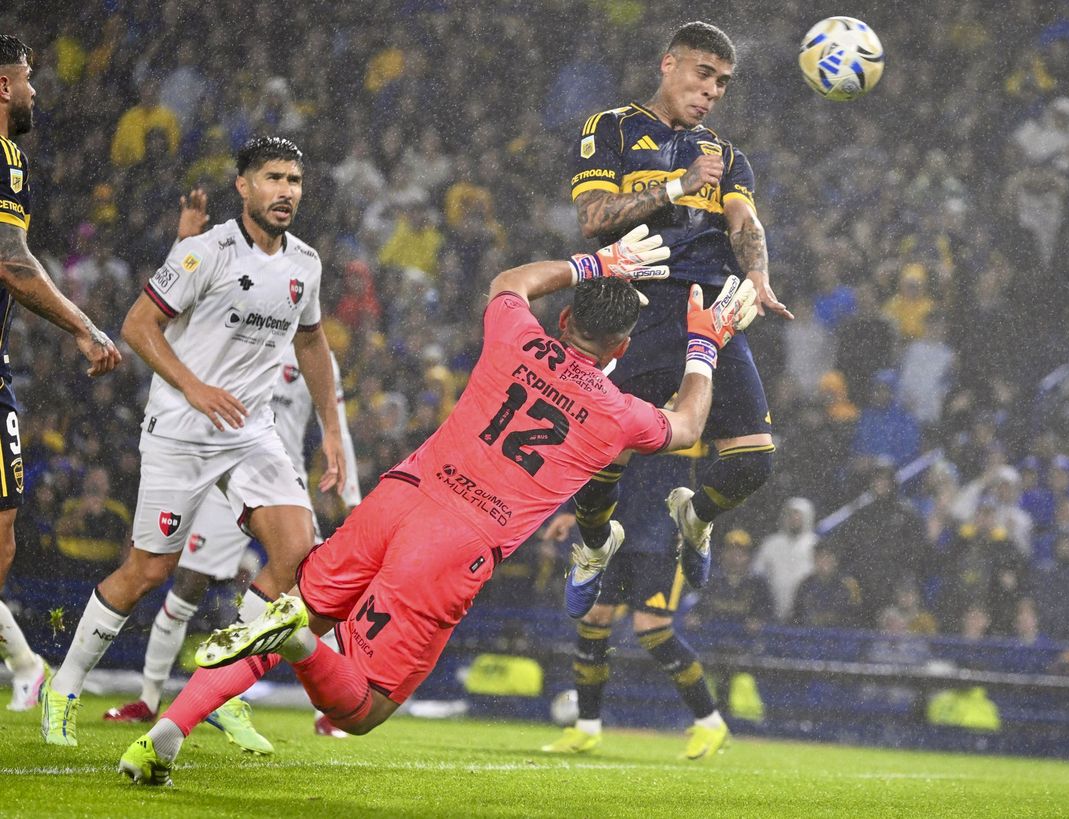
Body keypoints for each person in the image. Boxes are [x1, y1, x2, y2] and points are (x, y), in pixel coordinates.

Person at [118, 227, 757, 785]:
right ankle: (300, 645)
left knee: (298, 608)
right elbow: (688, 425)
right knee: (362, 708)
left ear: (565, 320)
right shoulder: (617, 413)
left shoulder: (516, 337)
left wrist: (597, 262)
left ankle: (165, 734)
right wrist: (705, 343)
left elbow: (510, 282)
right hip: (455, 544)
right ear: (619, 349)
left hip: (401, 497)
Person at [41, 136, 346, 747]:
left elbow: (312, 342)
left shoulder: (306, 263)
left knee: (299, 558)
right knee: (149, 570)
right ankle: (64, 687)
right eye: (273, 178)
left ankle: (217, 688)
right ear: (243, 186)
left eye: (294, 180)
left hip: (251, 431)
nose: (286, 191)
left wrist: (331, 428)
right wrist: (195, 387)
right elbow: (137, 325)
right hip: (182, 427)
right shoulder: (205, 252)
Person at [101, 191, 362, 746]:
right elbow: (175, 310)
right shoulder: (235, 331)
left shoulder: (310, 352)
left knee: (313, 579)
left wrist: (351, 492)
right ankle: (151, 696)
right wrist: (184, 242)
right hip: (217, 461)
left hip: (272, 477)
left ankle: (250, 696)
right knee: (185, 583)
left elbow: (332, 418)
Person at [568, 21, 791, 593]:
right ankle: (594, 543)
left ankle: (695, 515)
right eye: (703, 74)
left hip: (711, 308)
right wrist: (676, 186)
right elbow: (593, 217)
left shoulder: (726, 155)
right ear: (669, 64)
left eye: (722, 82)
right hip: (637, 304)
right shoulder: (611, 128)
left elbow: (744, 220)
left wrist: (758, 274)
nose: (711, 91)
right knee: (599, 456)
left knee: (754, 461)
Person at [0, 34, 122, 712]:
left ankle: (25, 665)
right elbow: (11, 261)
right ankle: (27, 666)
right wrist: (84, 326)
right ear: (3, 86)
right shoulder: (4, 156)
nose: (35, 91)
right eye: (27, 77)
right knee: (2, 535)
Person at [542, 447, 733, 760]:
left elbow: (716, 464)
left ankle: (710, 722)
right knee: (594, 616)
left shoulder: (693, 420)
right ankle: (586, 726)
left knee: (652, 628)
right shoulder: (632, 414)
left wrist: (698, 518)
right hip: (614, 525)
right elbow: (600, 451)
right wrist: (570, 506)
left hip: (662, 533)